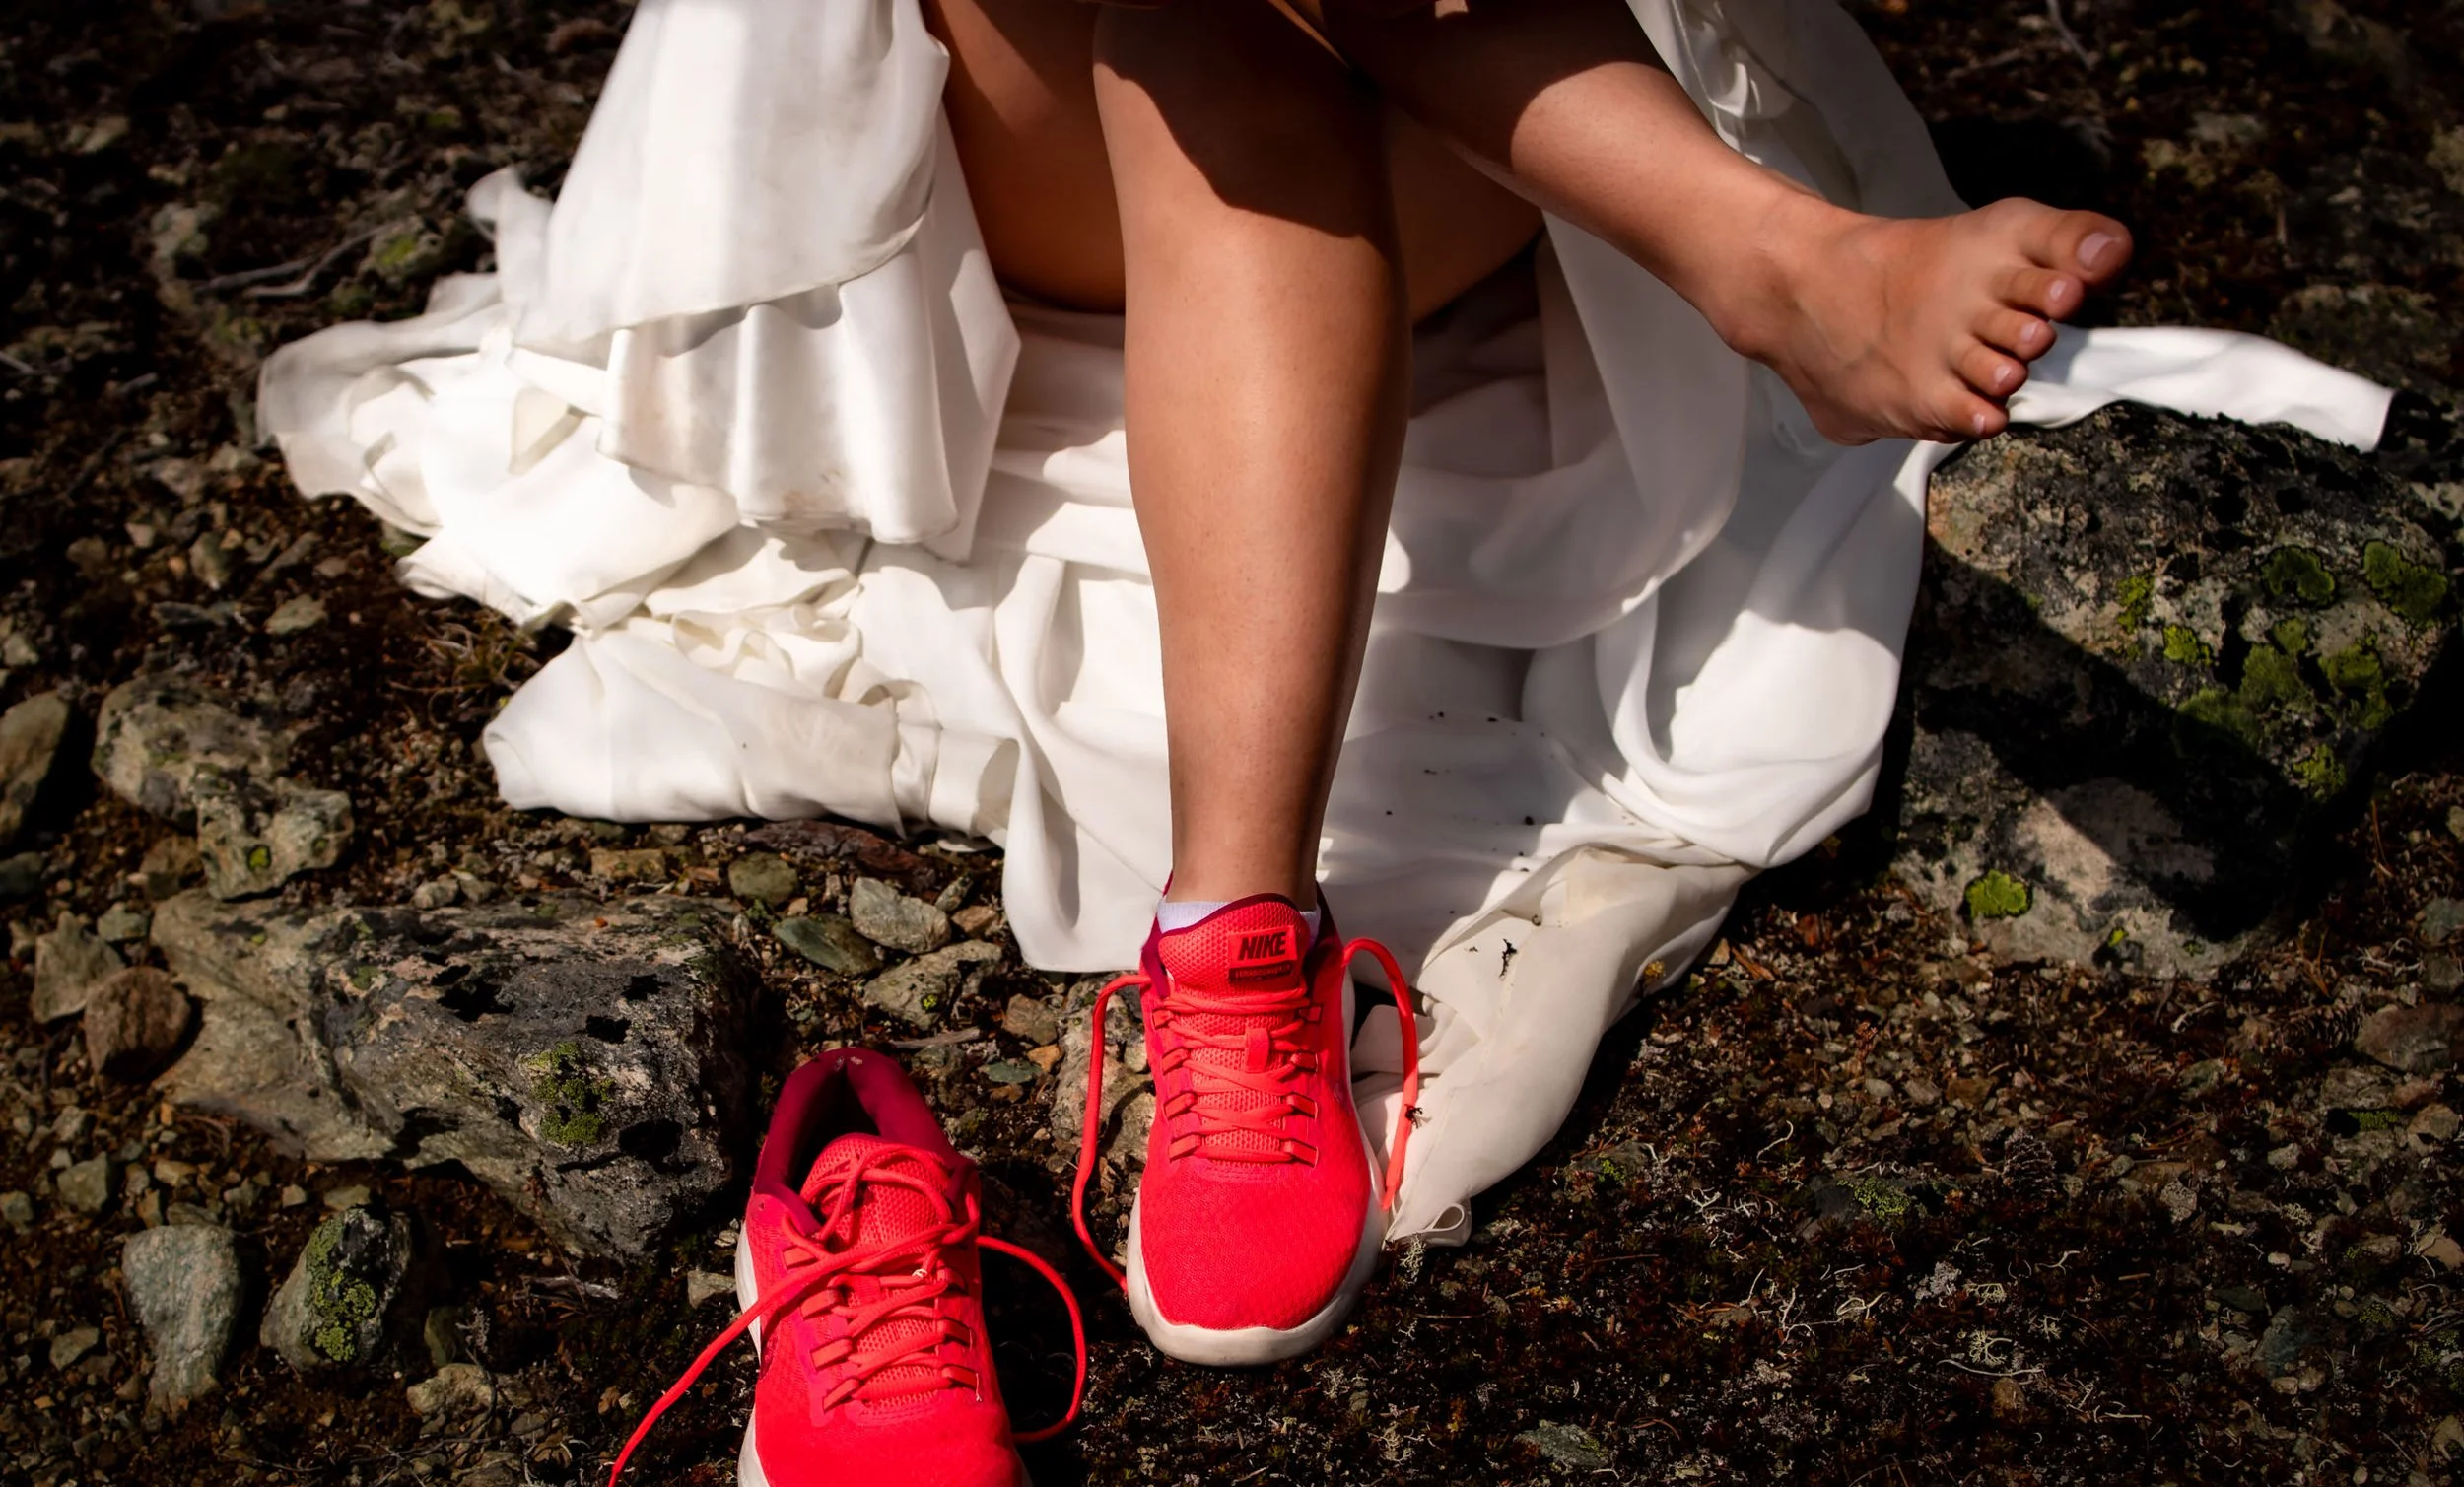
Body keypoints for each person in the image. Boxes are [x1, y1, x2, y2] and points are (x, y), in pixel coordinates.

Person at [259, 0, 2388, 1328]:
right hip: (1032, 128)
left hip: (1458, 100)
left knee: (1241, 29)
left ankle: (1236, 935)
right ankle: (1756, 256)